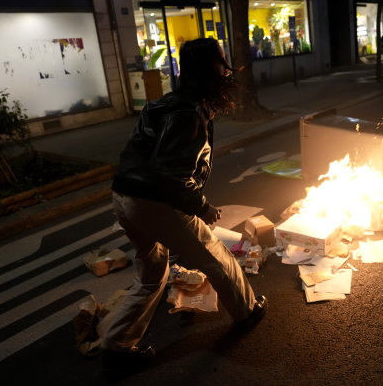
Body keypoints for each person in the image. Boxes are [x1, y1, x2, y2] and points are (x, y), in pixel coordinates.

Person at [100, 37, 268, 377]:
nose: (227, 73)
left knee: (152, 273)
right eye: (223, 66)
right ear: (211, 71)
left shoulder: (162, 105)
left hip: (125, 197)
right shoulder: (188, 112)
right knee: (214, 254)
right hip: (155, 202)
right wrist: (202, 207)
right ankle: (247, 311)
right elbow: (169, 174)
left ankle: (116, 346)